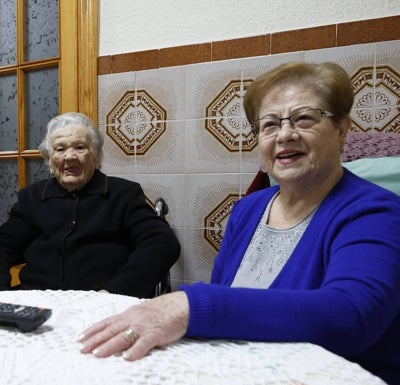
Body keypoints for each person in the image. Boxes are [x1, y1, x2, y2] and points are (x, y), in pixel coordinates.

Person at [77, 62, 400, 384]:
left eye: (304, 118)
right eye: (269, 125)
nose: (285, 134)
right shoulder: (249, 209)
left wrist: (190, 306)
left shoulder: (374, 212)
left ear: (342, 130)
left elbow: (351, 315)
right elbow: (225, 292)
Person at [0, 112, 180, 298]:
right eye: (60, 149)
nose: (70, 156)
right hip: (38, 303)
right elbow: (0, 248)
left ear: (96, 156)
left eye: (80, 147)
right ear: (49, 160)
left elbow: (162, 243)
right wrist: (0, 296)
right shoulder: (33, 198)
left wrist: (113, 293)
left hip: (101, 307)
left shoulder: (123, 195)